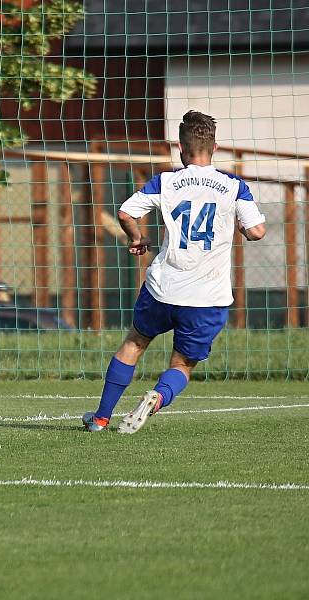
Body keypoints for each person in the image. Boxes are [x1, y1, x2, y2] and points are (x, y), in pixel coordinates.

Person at [83, 110, 266, 434]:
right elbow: (257, 232)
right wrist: (239, 227)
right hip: (207, 297)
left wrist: (137, 238)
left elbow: (126, 213)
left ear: (181, 148)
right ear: (215, 147)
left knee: (134, 343)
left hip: (163, 288)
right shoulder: (233, 186)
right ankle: (158, 397)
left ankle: (100, 418)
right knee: (181, 365)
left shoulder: (166, 180)